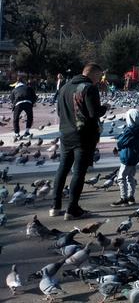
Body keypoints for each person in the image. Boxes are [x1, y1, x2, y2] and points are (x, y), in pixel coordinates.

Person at [51, 62, 108, 220]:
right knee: (79, 172)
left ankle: (55, 206)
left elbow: (59, 111)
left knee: (63, 168)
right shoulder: (89, 88)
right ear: (94, 74)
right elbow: (93, 113)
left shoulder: (64, 87)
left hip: (65, 133)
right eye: (99, 76)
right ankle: (72, 209)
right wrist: (105, 107)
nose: (99, 80)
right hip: (83, 136)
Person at [111, 108, 139, 207]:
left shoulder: (130, 130)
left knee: (121, 178)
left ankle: (124, 198)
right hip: (135, 157)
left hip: (127, 157)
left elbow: (121, 142)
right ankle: (131, 197)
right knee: (130, 177)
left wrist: (119, 143)